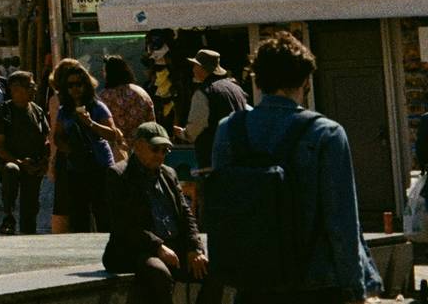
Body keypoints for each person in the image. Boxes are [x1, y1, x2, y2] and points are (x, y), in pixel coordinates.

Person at [208, 30, 381, 304]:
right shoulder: (326, 133)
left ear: (258, 79)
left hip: (252, 279)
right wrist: (356, 289)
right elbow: (342, 221)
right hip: (315, 280)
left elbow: (222, 207)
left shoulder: (228, 130)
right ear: (305, 80)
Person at [104, 121, 207, 304]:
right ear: (138, 146)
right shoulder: (119, 174)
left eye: (165, 151)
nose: (160, 155)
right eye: (155, 149)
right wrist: (157, 246)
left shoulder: (168, 173)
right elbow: (124, 224)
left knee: (214, 270)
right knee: (159, 273)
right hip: (135, 249)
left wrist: (194, 248)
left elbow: (186, 214)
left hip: (172, 245)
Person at [51, 58, 120, 234]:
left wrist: (91, 124)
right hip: (76, 166)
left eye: (79, 84)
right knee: (79, 215)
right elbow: (57, 136)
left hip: (99, 164)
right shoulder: (65, 111)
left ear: (86, 85)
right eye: (70, 85)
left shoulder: (98, 107)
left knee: (103, 213)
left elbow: (113, 134)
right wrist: (68, 149)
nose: (75, 89)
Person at [0, 69, 50, 236]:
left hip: (34, 165)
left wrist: (45, 160)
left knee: (30, 207)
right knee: (11, 170)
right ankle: (8, 216)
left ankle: (28, 231)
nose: (35, 89)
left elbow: (47, 137)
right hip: (14, 162)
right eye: (31, 86)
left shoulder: (37, 110)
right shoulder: (4, 112)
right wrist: (19, 162)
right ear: (16, 89)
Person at [177, 49, 248, 174]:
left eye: (195, 66)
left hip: (213, 160)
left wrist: (184, 133)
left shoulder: (204, 92)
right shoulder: (236, 89)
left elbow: (196, 127)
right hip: (239, 157)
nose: (193, 69)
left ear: (202, 68)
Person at [99, 56, 156, 165]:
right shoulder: (141, 93)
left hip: (116, 154)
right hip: (142, 151)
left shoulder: (104, 97)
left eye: (104, 71)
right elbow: (152, 123)